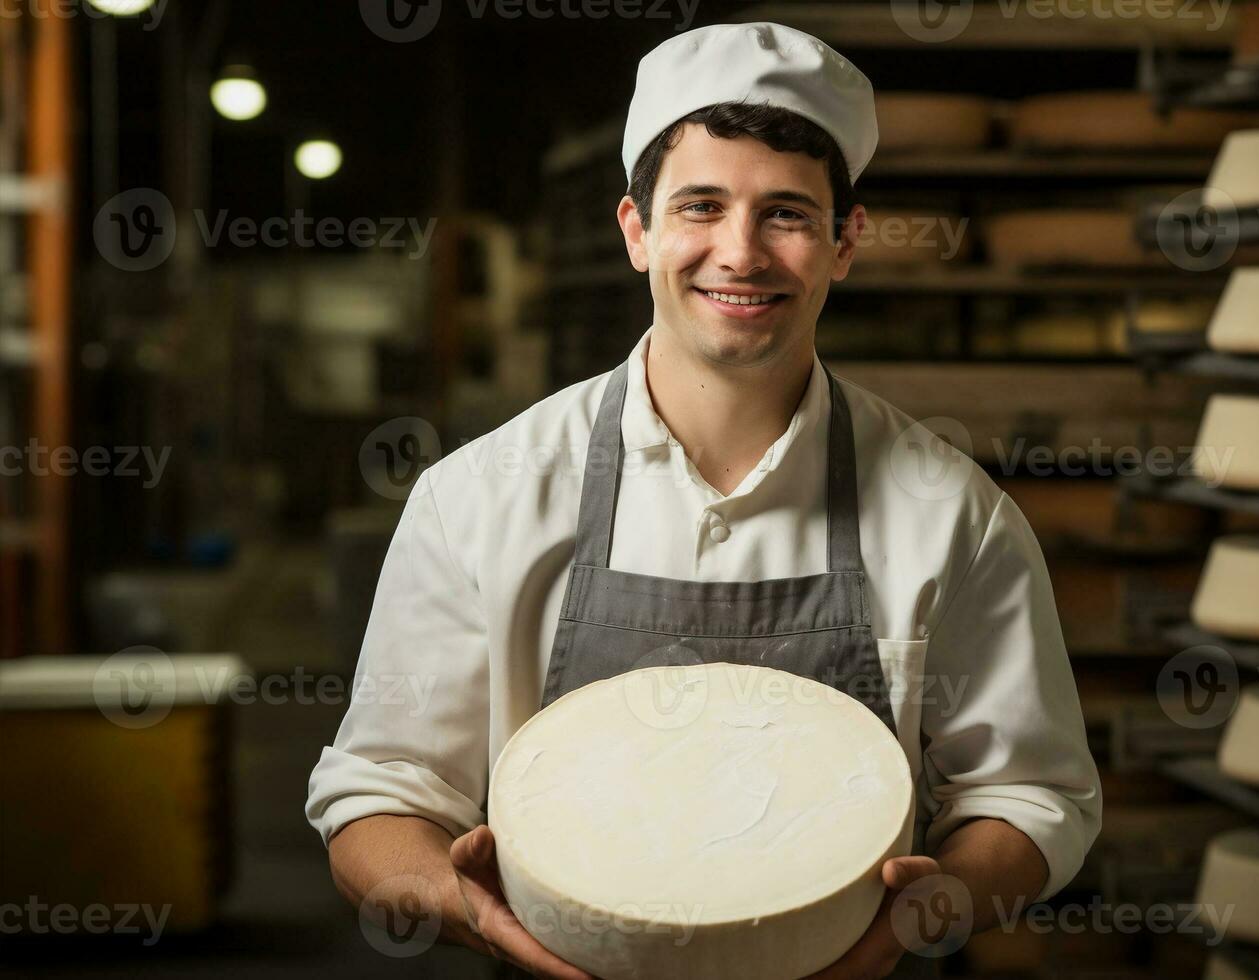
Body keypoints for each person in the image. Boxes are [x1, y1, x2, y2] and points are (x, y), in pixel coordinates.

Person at [308, 21, 1101, 980]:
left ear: (845, 242)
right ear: (637, 232)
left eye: (787, 215)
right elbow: (379, 791)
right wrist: (464, 908)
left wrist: (918, 918)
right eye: (700, 205)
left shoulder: (952, 515)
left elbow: (1031, 796)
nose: (741, 252)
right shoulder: (480, 497)